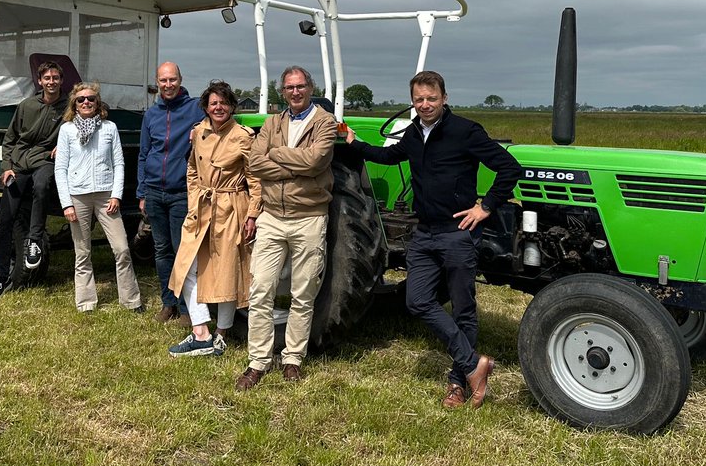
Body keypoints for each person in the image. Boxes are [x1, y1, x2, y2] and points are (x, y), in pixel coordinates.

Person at [344, 70, 521, 409]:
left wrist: (485, 207)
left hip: (457, 232)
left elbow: (509, 168)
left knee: (463, 308)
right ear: (412, 102)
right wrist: (354, 143)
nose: (425, 105)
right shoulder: (413, 133)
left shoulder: (465, 131)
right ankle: (473, 365)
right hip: (424, 231)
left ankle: (458, 383)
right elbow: (389, 157)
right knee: (417, 300)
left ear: (444, 98)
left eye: (431, 99)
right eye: (419, 100)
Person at [236, 66, 337, 389]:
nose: (295, 92)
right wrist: (292, 164)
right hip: (271, 218)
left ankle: (293, 358)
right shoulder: (272, 123)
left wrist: (276, 156)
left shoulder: (325, 122)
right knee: (261, 289)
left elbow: (316, 162)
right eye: (290, 87)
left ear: (311, 88)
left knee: (303, 293)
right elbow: (254, 161)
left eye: (301, 86)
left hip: (309, 216)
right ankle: (258, 361)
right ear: (283, 91)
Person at [166, 81, 261, 357]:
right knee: (185, 267)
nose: (218, 107)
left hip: (232, 207)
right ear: (206, 107)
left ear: (231, 106)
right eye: (213, 103)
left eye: (223, 103)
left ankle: (221, 334)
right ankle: (200, 329)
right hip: (202, 207)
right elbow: (192, 170)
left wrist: (252, 213)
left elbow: (255, 179)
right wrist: (194, 199)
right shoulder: (199, 132)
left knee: (227, 271)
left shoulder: (244, 136)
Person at [54, 81, 144, 313]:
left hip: (106, 196)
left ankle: (131, 300)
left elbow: (119, 163)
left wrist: (116, 195)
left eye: (91, 99)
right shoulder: (67, 130)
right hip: (78, 196)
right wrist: (66, 204)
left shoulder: (109, 128)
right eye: (81, 99)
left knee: (122, 248)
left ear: (98, 102)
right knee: (83, 252)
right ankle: (86, 302)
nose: (86, 102)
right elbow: (60, 169)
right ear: (74, 104)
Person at [0, 60, 69, 297]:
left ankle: (34, 240)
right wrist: (6, 167)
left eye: (56, 78)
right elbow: (10, 138)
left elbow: (95, 108)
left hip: (45, 161)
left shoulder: (69, 108)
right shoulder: (27, 106)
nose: (51, 82)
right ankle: (1, 276)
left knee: (42, 185)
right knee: (6, 220)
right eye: (47, 78)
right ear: (40, 81)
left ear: (61, 81)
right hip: (19, 164)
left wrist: (63, 145)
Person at [138, 61, 206, 322]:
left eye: (172, 80)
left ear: (180, 79)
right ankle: (168, 304)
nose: (168, 85)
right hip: (155, 191)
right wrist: (142, 193)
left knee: (183, 251)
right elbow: (144, 154)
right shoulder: (151, 115)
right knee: (161, 250)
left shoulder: (194, 109)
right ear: (158, 83)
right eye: (163, 81)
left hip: (181, 192)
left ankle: (189, 308)